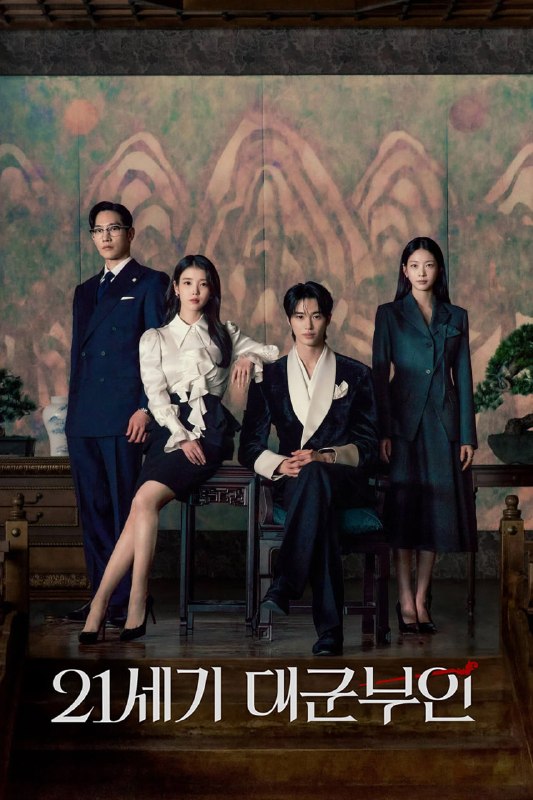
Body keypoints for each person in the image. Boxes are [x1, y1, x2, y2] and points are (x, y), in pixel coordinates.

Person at [79, 254, 279, 643]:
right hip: (169, 434)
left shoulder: (225, 333)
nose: (195, 291)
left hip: (211, 432)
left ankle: (128, 600)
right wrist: (180, 435)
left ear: (212, 289)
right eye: (188, 283)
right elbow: (155, 397)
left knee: (142, 502)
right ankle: (103, 603)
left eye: (203, 283)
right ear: (176, 288)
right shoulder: (154, 338)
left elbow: (271, 352)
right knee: (141, 507)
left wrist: (248, 355)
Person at [238, 281, 379, 656]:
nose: (308, 324)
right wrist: (280, 463)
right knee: (318, 502)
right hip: (294, 482)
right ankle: (329, 633)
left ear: (328, 318)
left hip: (344, 481)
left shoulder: (356, 374)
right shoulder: (268, 376)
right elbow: (248, 447)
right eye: (300, 316)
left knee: (317, 476)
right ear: (289, 320)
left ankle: (286, 581)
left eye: (316, 315)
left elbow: (369, 447)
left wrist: (326, 456)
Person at [65, 201, 169, 625]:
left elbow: (159, 352)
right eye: (98, 230)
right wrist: (72, 415)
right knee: (92, 510)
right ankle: (100, 597)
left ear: (130, 233)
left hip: (126, 415)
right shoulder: (84, 290)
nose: (105, 237)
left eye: (114, 228)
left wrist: (146, 408)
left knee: (125, 508)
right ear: (92, 237)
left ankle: (125, 601)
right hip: (85, 416)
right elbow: (78, 357)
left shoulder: (151, 282)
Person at [372, 236, 477, 635]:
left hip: (443, 424)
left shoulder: (456, 315)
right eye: (414, 265)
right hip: (402, 424)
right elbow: (379, 375)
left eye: (429, 265)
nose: (421, 272)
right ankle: (404, 598)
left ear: (439, 270)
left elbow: (463, 376)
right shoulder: (389, 314)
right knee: (404, 511)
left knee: (435, 513)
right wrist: (382, 429)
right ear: (404, 270)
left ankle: (421, 598)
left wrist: (467, 436)